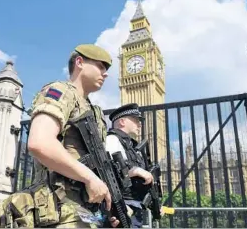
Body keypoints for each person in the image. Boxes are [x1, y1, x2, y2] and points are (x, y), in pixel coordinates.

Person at [27, 44, 119, 228]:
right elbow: (40, 142)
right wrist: (90, 178)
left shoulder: (94, 111)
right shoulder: (61, 91)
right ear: (79, 62)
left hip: (85, 210)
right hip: (57, 206)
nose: (105, 73)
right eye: (100, 66)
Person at [105, 103, 154, 228]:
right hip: (123, 205)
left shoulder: (131, 146)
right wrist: (135, 170)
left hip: (134, 206)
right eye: (136, 120)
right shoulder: (112, 140)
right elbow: (109, 171)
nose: (139, 124)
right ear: (122, 121)